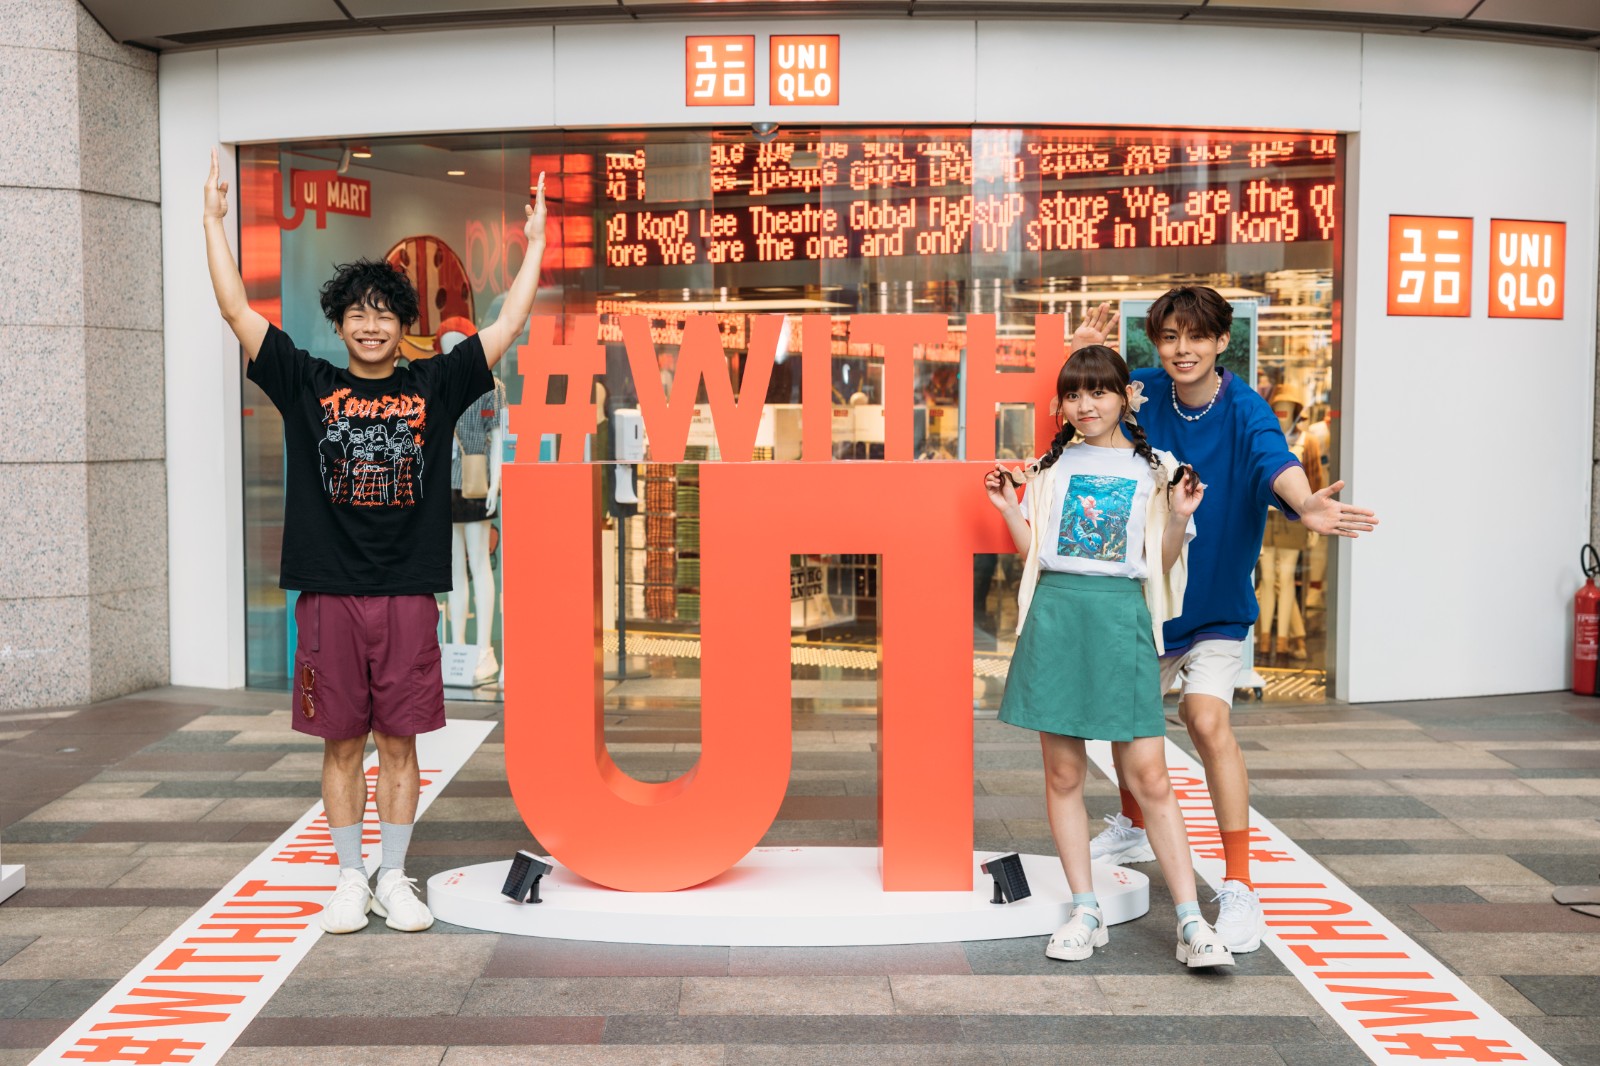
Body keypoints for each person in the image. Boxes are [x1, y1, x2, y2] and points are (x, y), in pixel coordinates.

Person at [203, 148, 547, 933]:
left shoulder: (436, 384)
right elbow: (235, 311)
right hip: (328, 595)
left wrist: (533, 246)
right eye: (357, 314)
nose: (370, 324)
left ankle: (394, 876)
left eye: (385, 313)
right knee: (339, 747)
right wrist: (214, 223)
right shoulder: (307, 383)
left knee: (399, 744)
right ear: (339, 324)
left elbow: (507, 325)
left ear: (403, 325)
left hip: (405, 595)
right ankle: (349, 879)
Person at [1070, 288, 1377, 954]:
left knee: (1207, 721)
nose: (1182, 350)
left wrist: (1305, 505)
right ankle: (1132, 822)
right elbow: (1086, 414)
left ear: (1220, 341)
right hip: (1150, 600)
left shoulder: (1245, 409)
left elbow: (1276, 463)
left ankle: (1239, 885)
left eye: (1196, 337)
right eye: (1169, 337)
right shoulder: (1144, 390)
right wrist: (1082, 359)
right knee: (1128, 721)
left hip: (1215, 607)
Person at [984, 344, 1233, 970]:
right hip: (1056, 615)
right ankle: (1086, 911)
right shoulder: (1050, 466)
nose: (1085, 405)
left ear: (1126, 396)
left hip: (1121, 617)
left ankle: (1191, 921)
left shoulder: (1160, 469)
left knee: (1150, 776)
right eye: (1073, 394)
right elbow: (1035, 554)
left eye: (1098, 392)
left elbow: (1162, 562)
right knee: (1063, 775)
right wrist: (1010, 509)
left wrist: (1178, 516)